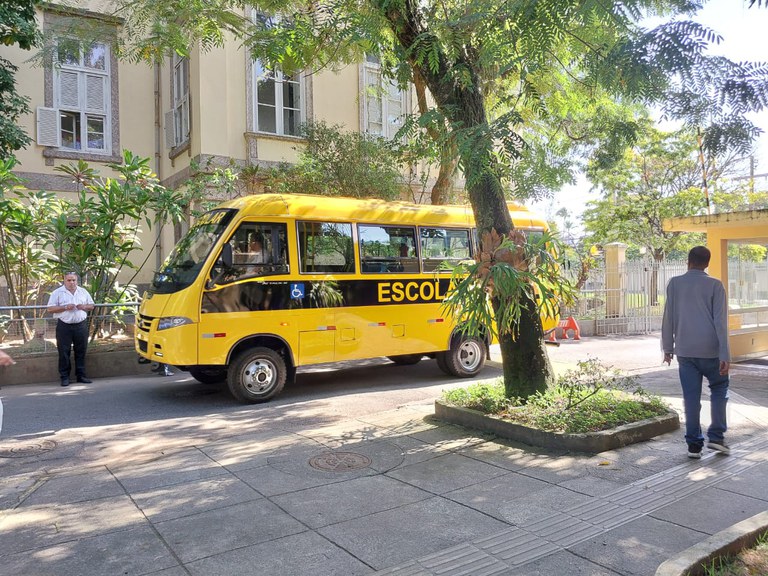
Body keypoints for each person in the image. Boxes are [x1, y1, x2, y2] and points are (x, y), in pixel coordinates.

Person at [662, 246, 730, 459]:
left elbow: (668, 317)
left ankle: (694, 446)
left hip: (685, 350)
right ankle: (717, 438)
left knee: (691, 398)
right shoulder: (715, 285)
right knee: (719, 389)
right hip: (711, 350)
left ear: (688, 261)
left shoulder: (675, 284)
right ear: (707, 263)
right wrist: (725, 354)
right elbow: (720, 322)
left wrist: (667, 348)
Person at [46, 271, 95, 387]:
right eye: (69, 280)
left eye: (73, 280)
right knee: (63, 352)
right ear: (64, 280)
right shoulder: (57, 293)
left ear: (76, 280)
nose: (71, 282)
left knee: (81, 351)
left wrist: (84, 307)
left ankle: (81, 376)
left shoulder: (83, 291)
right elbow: (50, 309)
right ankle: (65, 377)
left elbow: (92, 306)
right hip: (64, 326)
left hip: (81, 326)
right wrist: (64, 307)